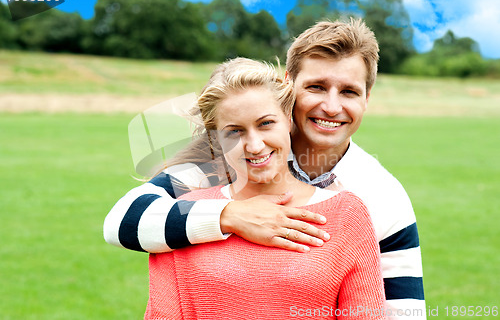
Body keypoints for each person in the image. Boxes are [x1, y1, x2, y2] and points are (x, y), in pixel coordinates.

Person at [104, 18, 425, 318]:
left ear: (367, 99)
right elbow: (122, 220)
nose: (331, 106)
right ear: (289, 87)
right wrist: (230, 215)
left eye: (349, 91)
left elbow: (404, 311)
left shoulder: (382, 196)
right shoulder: (224, 163)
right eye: (315, 87)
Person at [145, 57, 385, 319]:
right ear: (216, 140)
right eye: (234, 132)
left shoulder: (347, 215)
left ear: (289, 121)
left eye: (265, 123)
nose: (255, 145)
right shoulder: (183, 216)